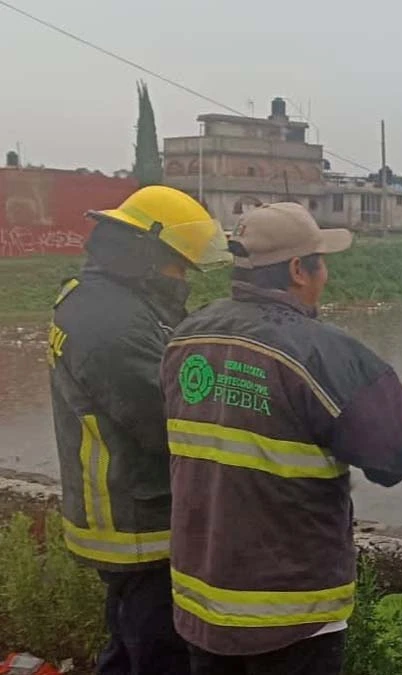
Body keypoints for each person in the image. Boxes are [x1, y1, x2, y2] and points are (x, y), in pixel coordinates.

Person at [159, 202, 402, 674]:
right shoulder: (322, 352)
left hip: (200, 597)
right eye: (321, 263)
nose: (325, 276)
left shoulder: (185, 337)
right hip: (291, 612)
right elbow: (399, 454)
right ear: (300, 270)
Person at [48, 185, 232, 674]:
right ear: (145, 258)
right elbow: (169, 423)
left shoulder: (105, 302)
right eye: (179, 265)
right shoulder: (114, 325)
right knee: (159, 652)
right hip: (137, 522)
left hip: (127, 510)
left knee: (130, 645)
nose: (185, 277)